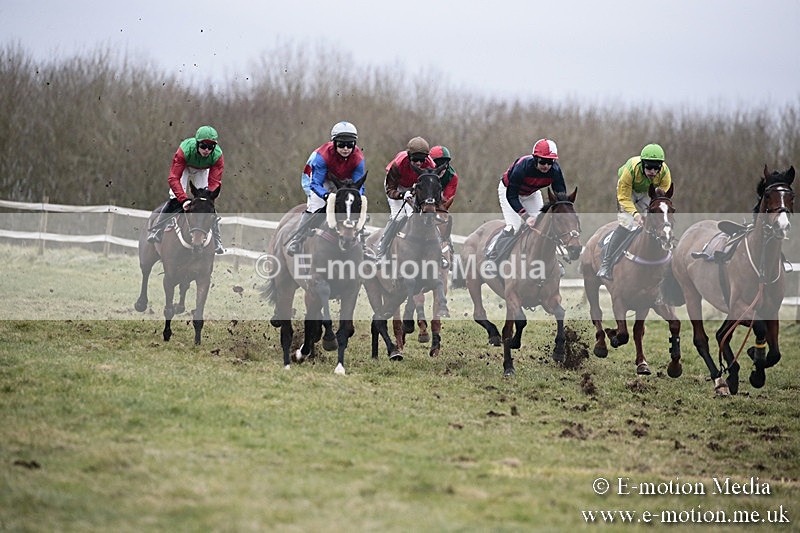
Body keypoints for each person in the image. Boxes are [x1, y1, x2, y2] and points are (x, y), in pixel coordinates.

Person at [287, 121, 366, 255]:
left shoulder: (358, 158)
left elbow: (359, 185)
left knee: (354, 206)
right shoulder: (322, 156)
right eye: (341, 144)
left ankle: (362, 244)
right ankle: (297, 240)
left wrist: (355, 198)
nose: (346, 148)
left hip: (343, 182)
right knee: (316, 207)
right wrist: (326, 196)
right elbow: (315, 184)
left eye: (350, 144)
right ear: (334, 143)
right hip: (320, 180)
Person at [597, 143, 672, 280]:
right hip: (628, 192)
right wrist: (636, 215)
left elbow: (660, 200)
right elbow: (624, 198)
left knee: (656, 224)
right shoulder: (630, 170)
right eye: (649, 167)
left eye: (657, 168)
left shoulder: (665, 174)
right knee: (627, 224)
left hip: (646, 193)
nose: (653, 172)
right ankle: (606, 264)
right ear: (643, 164)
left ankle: (668, 261)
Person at [485, 138, 567, 261]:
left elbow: (561, 197)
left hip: (531, 194)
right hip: (509, 192)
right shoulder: (522, 167)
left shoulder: (555, 171)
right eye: (543, 161)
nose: (546, 166)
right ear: (535, 159)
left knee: (543, 226)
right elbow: (511, 196)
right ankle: (493, 256)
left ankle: (550, 262)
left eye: (550, 162)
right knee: (514, 227)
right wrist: (526, 217)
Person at [147, 125, 225, 254]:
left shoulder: (217, 156)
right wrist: (183, 200)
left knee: (205, 203)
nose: (206, 150)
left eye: (210, 147)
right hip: (184, 167)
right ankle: (158, 230)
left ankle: (217, 240)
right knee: (175, 198)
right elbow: (173, 178)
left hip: (202, 170)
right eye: (203, 146)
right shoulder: (185, 150)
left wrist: (207, 198)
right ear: (197, 143)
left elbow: (215, 181)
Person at [374, 136, 437, 260]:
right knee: (399, 215)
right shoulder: (398, 164)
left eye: (422, 160)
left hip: (413, 187)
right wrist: (402, 195)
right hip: (395, 186)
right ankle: (382, 246)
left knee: (417, 215)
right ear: (409, 156)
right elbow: (390, 189)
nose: (419, 163)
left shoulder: (430, 165)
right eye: (415, 159)